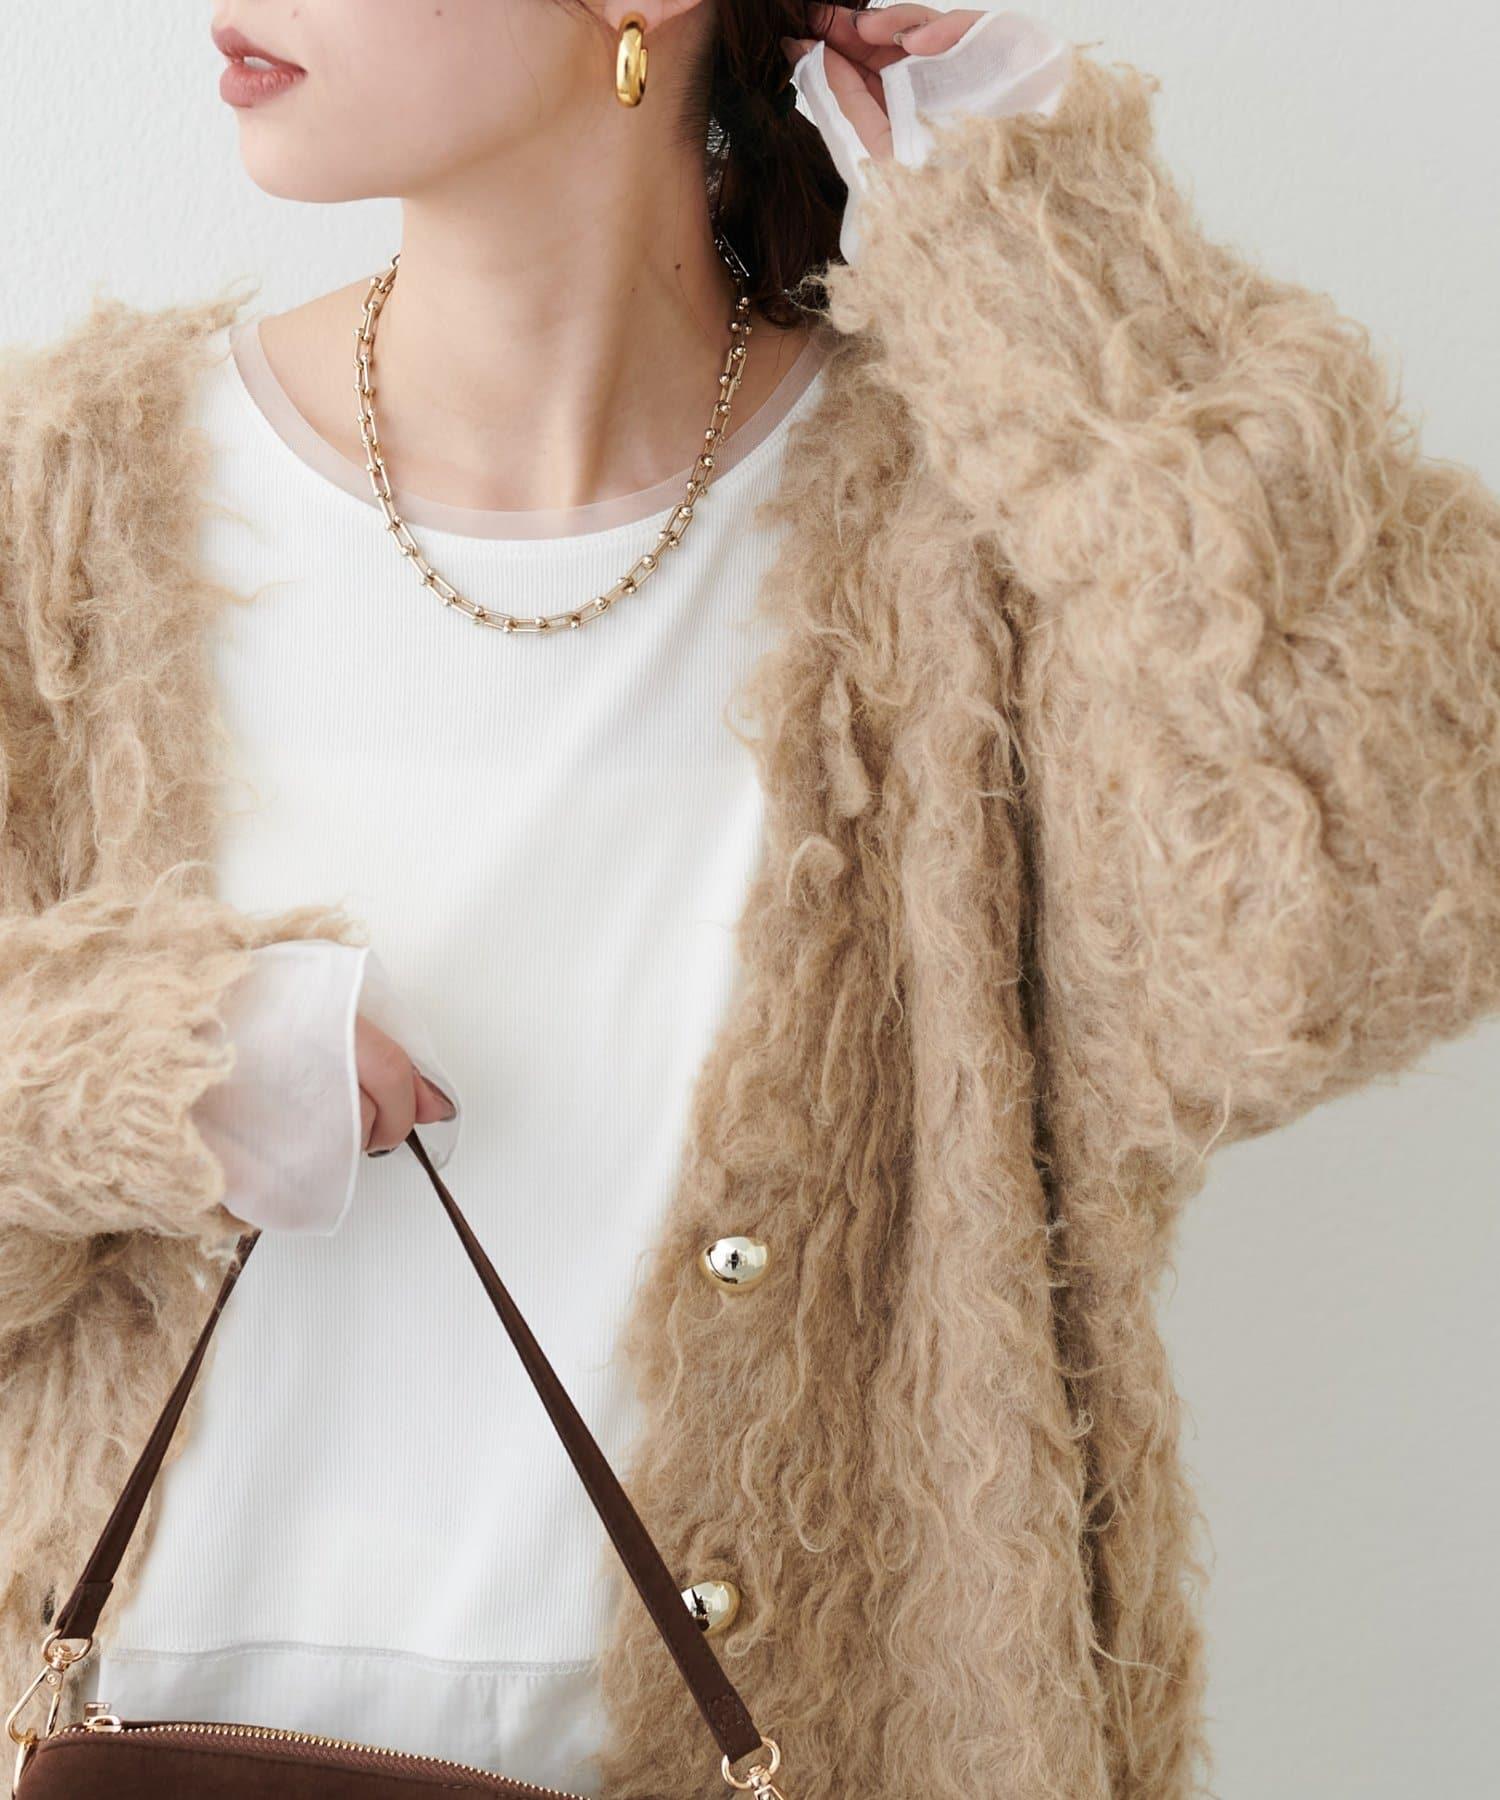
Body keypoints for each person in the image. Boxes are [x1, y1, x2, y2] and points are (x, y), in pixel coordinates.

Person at [1, 4, 1496, 1797]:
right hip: (126, 1730)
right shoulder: (67, 496)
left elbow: (1386, 891)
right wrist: (143, 1069)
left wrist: (1033, 215)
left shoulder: (981, 534)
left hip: (821, 1740)